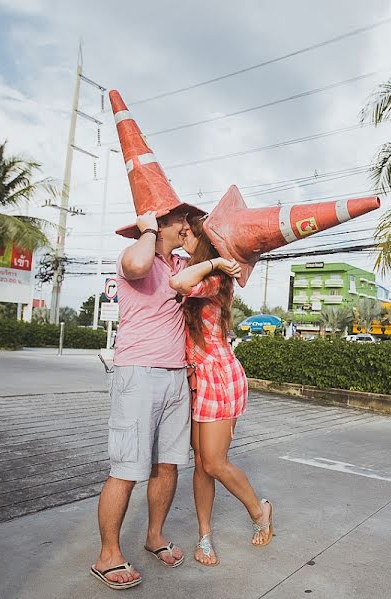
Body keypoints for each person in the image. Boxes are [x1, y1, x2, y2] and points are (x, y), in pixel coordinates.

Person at [90, 209, 193, 590]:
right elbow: (135, 265)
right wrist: (148, 229)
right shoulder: (136, 253)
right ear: (157, 226)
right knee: (127, 469)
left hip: (175, 374)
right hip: (137, 374)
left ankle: (154, 536)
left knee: (168, 465)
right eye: (179, 220)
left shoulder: (179, 263)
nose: (187, 226)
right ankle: (108, 556)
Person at [170, 215, 274, 567]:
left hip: (218, 378)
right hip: (195, 379)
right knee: (200, 465)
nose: (182, 237)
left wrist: (213, 261)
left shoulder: (215, 277)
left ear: (204, 242)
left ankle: (260, 511)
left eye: (188, 234)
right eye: (179, 232)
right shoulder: (196, 268)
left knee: (215, 462)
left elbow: (181, 283)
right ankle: (204, 536)